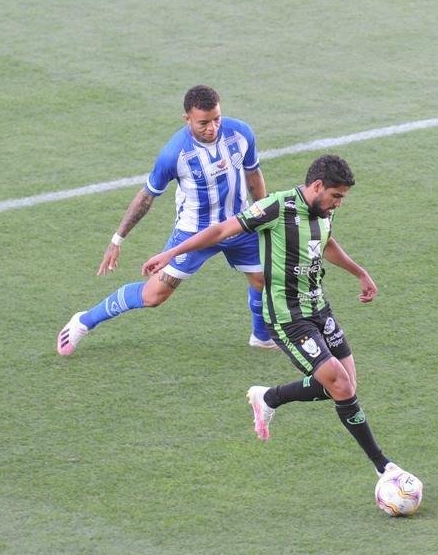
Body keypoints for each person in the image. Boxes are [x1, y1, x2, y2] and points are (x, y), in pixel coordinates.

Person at [142, 154, 410, 483]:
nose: (338, 204)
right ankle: (384, 467)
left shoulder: (323, 211)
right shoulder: (276, 207)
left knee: (345, 386)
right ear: (316, 186)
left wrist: (360, 273)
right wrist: (171, 253)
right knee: (338, 383)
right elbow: (222, 229)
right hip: (287, 317)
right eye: (336, 196)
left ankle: (269, 397)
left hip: (319, 309)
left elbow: (325, 243)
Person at [57, 85, 276, 356]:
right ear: (187, 119)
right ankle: (84, 321)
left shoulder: (241, 133)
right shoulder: (174, 154)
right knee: (153, 296)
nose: (212, 128)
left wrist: (263, 213)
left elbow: (253, 175)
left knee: (263, 279)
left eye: (217, 119)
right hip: (194, 235)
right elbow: (146, 198)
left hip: (239, 225)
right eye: (203, 123)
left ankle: (261, 336)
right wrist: (117, 239)